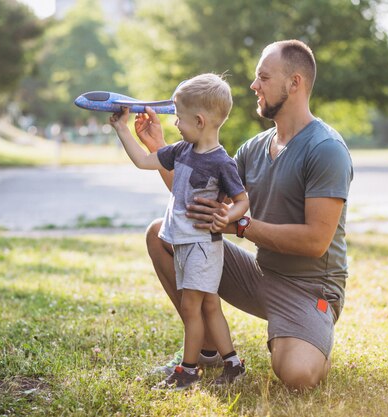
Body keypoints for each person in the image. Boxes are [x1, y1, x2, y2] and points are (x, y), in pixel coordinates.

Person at [133, 40, 354, 391]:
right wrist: (159, 148)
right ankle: (207, 352)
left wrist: (242, 226)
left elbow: (316, 241)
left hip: (309, 289)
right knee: (161, 234)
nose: (254, 86)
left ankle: (308, 332)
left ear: (294, 83)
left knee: (297, 375)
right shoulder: (254, 147)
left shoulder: (325, 149)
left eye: (263, 78)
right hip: (260, 275)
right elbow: (196, 200)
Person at [109, 73, 250, 390]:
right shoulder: (181, 151)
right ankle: (232, 364)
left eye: (179, 118)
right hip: (185, 244)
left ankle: (187, 371)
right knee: (209, 306)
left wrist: (228, 214)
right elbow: (145, 160)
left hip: (202, 246)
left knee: (191, 308)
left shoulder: (221, 162)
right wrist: (121, 129)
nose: (175, 125)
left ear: (199, 121)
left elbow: (242, 200)